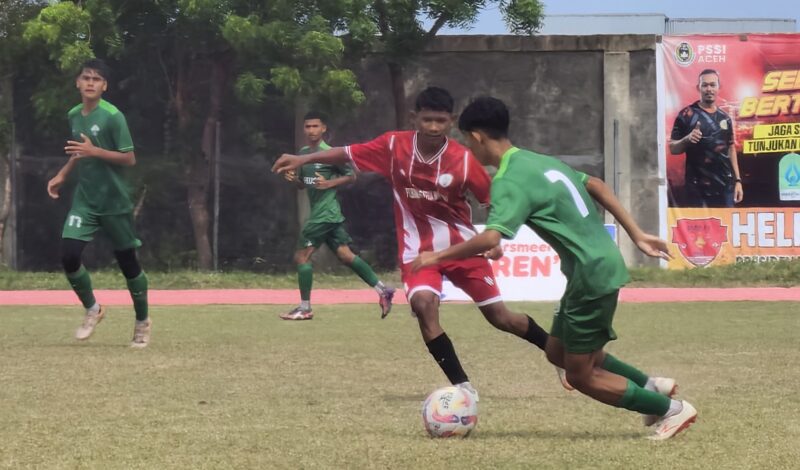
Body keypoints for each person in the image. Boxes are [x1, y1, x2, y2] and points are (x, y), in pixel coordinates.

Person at [412, 96, 697, 440]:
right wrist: (636, 234)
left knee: (580, 375)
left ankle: (670, 409)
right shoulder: (538, 160)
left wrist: (435, 257)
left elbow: (490, 237)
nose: (469, 149)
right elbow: (596, 184)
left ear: (476, 137)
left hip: (591, 274)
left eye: (466, 141)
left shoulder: (508, 179)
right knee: (556, 351)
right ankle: (650, 386)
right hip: (587, 270)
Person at [273, 87, 568, 398]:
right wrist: (301, 158)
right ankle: (463, 388)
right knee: (424, 305)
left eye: (441, 120)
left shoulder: (464, 160)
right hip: (418, 251)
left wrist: (494, 240)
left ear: (452, 120)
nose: (434, 127)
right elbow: (346, 153)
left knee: (500, 317)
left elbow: (492, 200)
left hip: (463, 248)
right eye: (427, 120)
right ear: (414, 118)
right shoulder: (393, 146)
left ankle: (557, 355)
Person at [46, 59, 151, 348]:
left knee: (128, 263)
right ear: (77, 83)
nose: (90, 82)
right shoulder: (74, 115)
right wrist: (62, 174)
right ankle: (93, 308)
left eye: (96, 79)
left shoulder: (113, 116)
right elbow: (80, 152)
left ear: (105, 86)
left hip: (114, 201)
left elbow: (129, 158)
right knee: (69, 255)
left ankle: (142, 321)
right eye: (86, 77)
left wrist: (96, 151)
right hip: (86, 201)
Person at [280, 111, 395, 320]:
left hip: (325, 213)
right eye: (308, 126)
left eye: (315, 126)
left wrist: (330, 183)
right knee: (345, 255)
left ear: (324, 128)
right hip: (326, 215)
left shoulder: (330, 153)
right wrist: (293, 179)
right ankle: (383, 290)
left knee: (302, 256)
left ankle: (305, 308)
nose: (311, 130)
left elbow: (352, 175)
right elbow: (302, 185)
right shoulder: (303, 154)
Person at [670, 69, 743, 207]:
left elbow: (731, 148)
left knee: (725, 221)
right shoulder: (686, 114)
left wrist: (738, 181)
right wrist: (687, 140)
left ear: (718, 87)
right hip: (697, 189)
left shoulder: (725, 118)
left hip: (725, 188)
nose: (709, 89)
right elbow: (673, 148)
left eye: (712, 85)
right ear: (699, 88)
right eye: (705, 85)